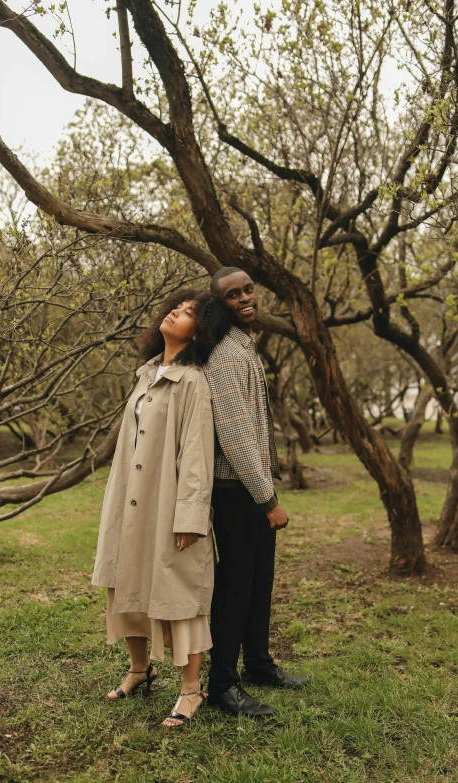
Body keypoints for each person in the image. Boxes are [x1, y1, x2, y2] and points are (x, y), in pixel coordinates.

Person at [92, 288, 230, 728]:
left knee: (179, 592)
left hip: (167, 500)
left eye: (189, 312)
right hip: (129, 495)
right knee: (127, 579)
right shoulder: (147, 373)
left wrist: (189, 516)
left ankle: (192, 690)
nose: (176, 312)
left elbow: (196, 454)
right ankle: (140, 669)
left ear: (200, 330)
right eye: (176, 306)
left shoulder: (193, 381)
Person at [204, 267, 308, 718]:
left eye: (248, 289)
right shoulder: (226, 357)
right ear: (219, 304)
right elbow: (236, 435)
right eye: (233, 295)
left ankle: (259, 665)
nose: (245, 297)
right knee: (235, 588)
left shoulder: (244, 346)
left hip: (251, 488)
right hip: (237, 492)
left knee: (259, 582)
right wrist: (268, 500)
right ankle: (223, 686)